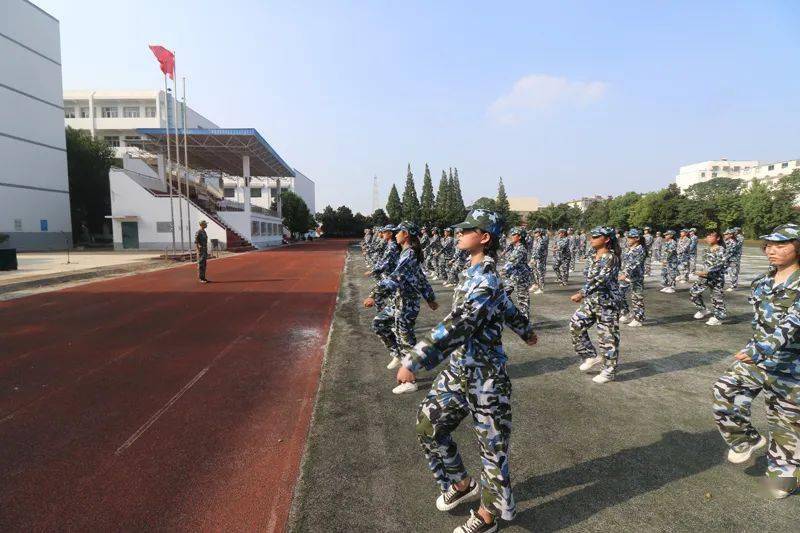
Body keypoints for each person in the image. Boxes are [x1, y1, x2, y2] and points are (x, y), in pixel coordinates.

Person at [396, 209, 537, 533]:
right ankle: (460, 483)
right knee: (428, 425)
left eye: (467, 229)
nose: (458, 233)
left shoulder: (486, 280)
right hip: (459, 370)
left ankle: (487, 518)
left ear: (485, 237)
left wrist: (413, 361)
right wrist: (526, 331)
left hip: (486, 379)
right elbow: (508, 308)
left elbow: (458, 325)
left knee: (492, 451)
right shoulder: (472, 273)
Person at [712, 223, 800, 499]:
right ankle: (746, 439)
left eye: (781, 245)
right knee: (724, 389)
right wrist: (755, 348)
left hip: (791, 365)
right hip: (758, 356)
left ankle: (783, 473)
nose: (772, 250)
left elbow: (793, 323)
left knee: (784, 421)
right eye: (769, 245)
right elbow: (760, 323)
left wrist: (761, 348)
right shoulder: (762, 282)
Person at [364, 221, 438, 380]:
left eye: (398, 232)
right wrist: (430, 298)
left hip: (407, 304)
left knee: (406, 341)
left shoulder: (409, 254)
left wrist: (374, 295)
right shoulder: (405, 253)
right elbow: (421, 278)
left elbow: (396, 277)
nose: (395, 234)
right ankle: (397, 354)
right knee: (379, 323)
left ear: (406, 234)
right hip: (398, 301)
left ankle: (410, 379)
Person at [570, 226, 623, 384]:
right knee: (576, 324)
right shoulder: (592, 256)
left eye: (595, 236)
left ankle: (608, 371)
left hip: (608, 303)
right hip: (592, 301)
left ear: (606, 239)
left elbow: (601, 279)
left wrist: (582, 293)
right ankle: (590, 356)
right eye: (591, 236)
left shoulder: (611, 258)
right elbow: (589, 277)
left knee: (607, 339)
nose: (591, 239)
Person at [689, 229, 727, 326]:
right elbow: (705, 264)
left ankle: (718, 317)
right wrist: (701, 272)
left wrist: (707, 271)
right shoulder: (706, 250)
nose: (708, 238)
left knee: (717, 298)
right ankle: (703, 309)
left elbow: (721, 264)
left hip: (716, 278)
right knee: (693, 292)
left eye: (711, 236)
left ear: (718, 238)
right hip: (704, 277)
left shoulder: (721, 250)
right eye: (707, 236)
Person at [501, 227, 533, 318]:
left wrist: (501, 272)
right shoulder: (514, 246)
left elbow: (511, 263)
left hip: (521, 278)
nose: (512, 236)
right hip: (513, 276)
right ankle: (512, 313)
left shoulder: (520, 249)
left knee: (523, 300)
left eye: (514, 234)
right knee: (503, 293)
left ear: (519, 237)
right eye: (512, 234)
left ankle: (525, 321)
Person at [619, 228, 647, 327]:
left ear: (637, 238)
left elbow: (634, 264)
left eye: (631, 237)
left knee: (636, 298)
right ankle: (626, 312)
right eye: (628, 237)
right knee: (619, 293)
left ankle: (639, 318)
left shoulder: (640, 250)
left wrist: (625, 274)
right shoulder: (628, 248)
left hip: (636, 277)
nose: (628, 239)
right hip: (624, 276)